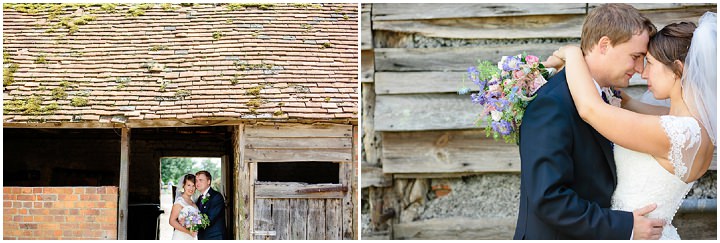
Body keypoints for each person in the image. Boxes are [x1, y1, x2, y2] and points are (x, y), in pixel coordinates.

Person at [548, 11, 716, 240]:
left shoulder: (679, 134)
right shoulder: (692, 126)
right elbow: (629, 105)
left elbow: (590, 109)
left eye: (651, 64)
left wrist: (572, 54)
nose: (643, 72)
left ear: (678, 70)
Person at [514, 4, 665, 240]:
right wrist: (625, 226)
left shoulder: (607, 97)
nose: (638, 69)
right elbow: (549, 198)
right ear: (604, 45)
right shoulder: (552, 104)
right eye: (635, 57)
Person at [195, 170, 227, 240]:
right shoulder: (199, 199)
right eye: (196, 180)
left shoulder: (216, 197)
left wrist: (190, 223)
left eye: (200, 180)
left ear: (208, 181)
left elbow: (209, 220)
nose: (197, 183)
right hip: (203, 237)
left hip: (215, 237)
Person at [170, 174, 199, 240]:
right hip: (181, 237)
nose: (191, 188)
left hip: (193, 237)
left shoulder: (193, 202)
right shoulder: (180, 202)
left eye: (193, 186)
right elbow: (172, 221)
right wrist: (188, 232)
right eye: (188, 185)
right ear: (184, 186)